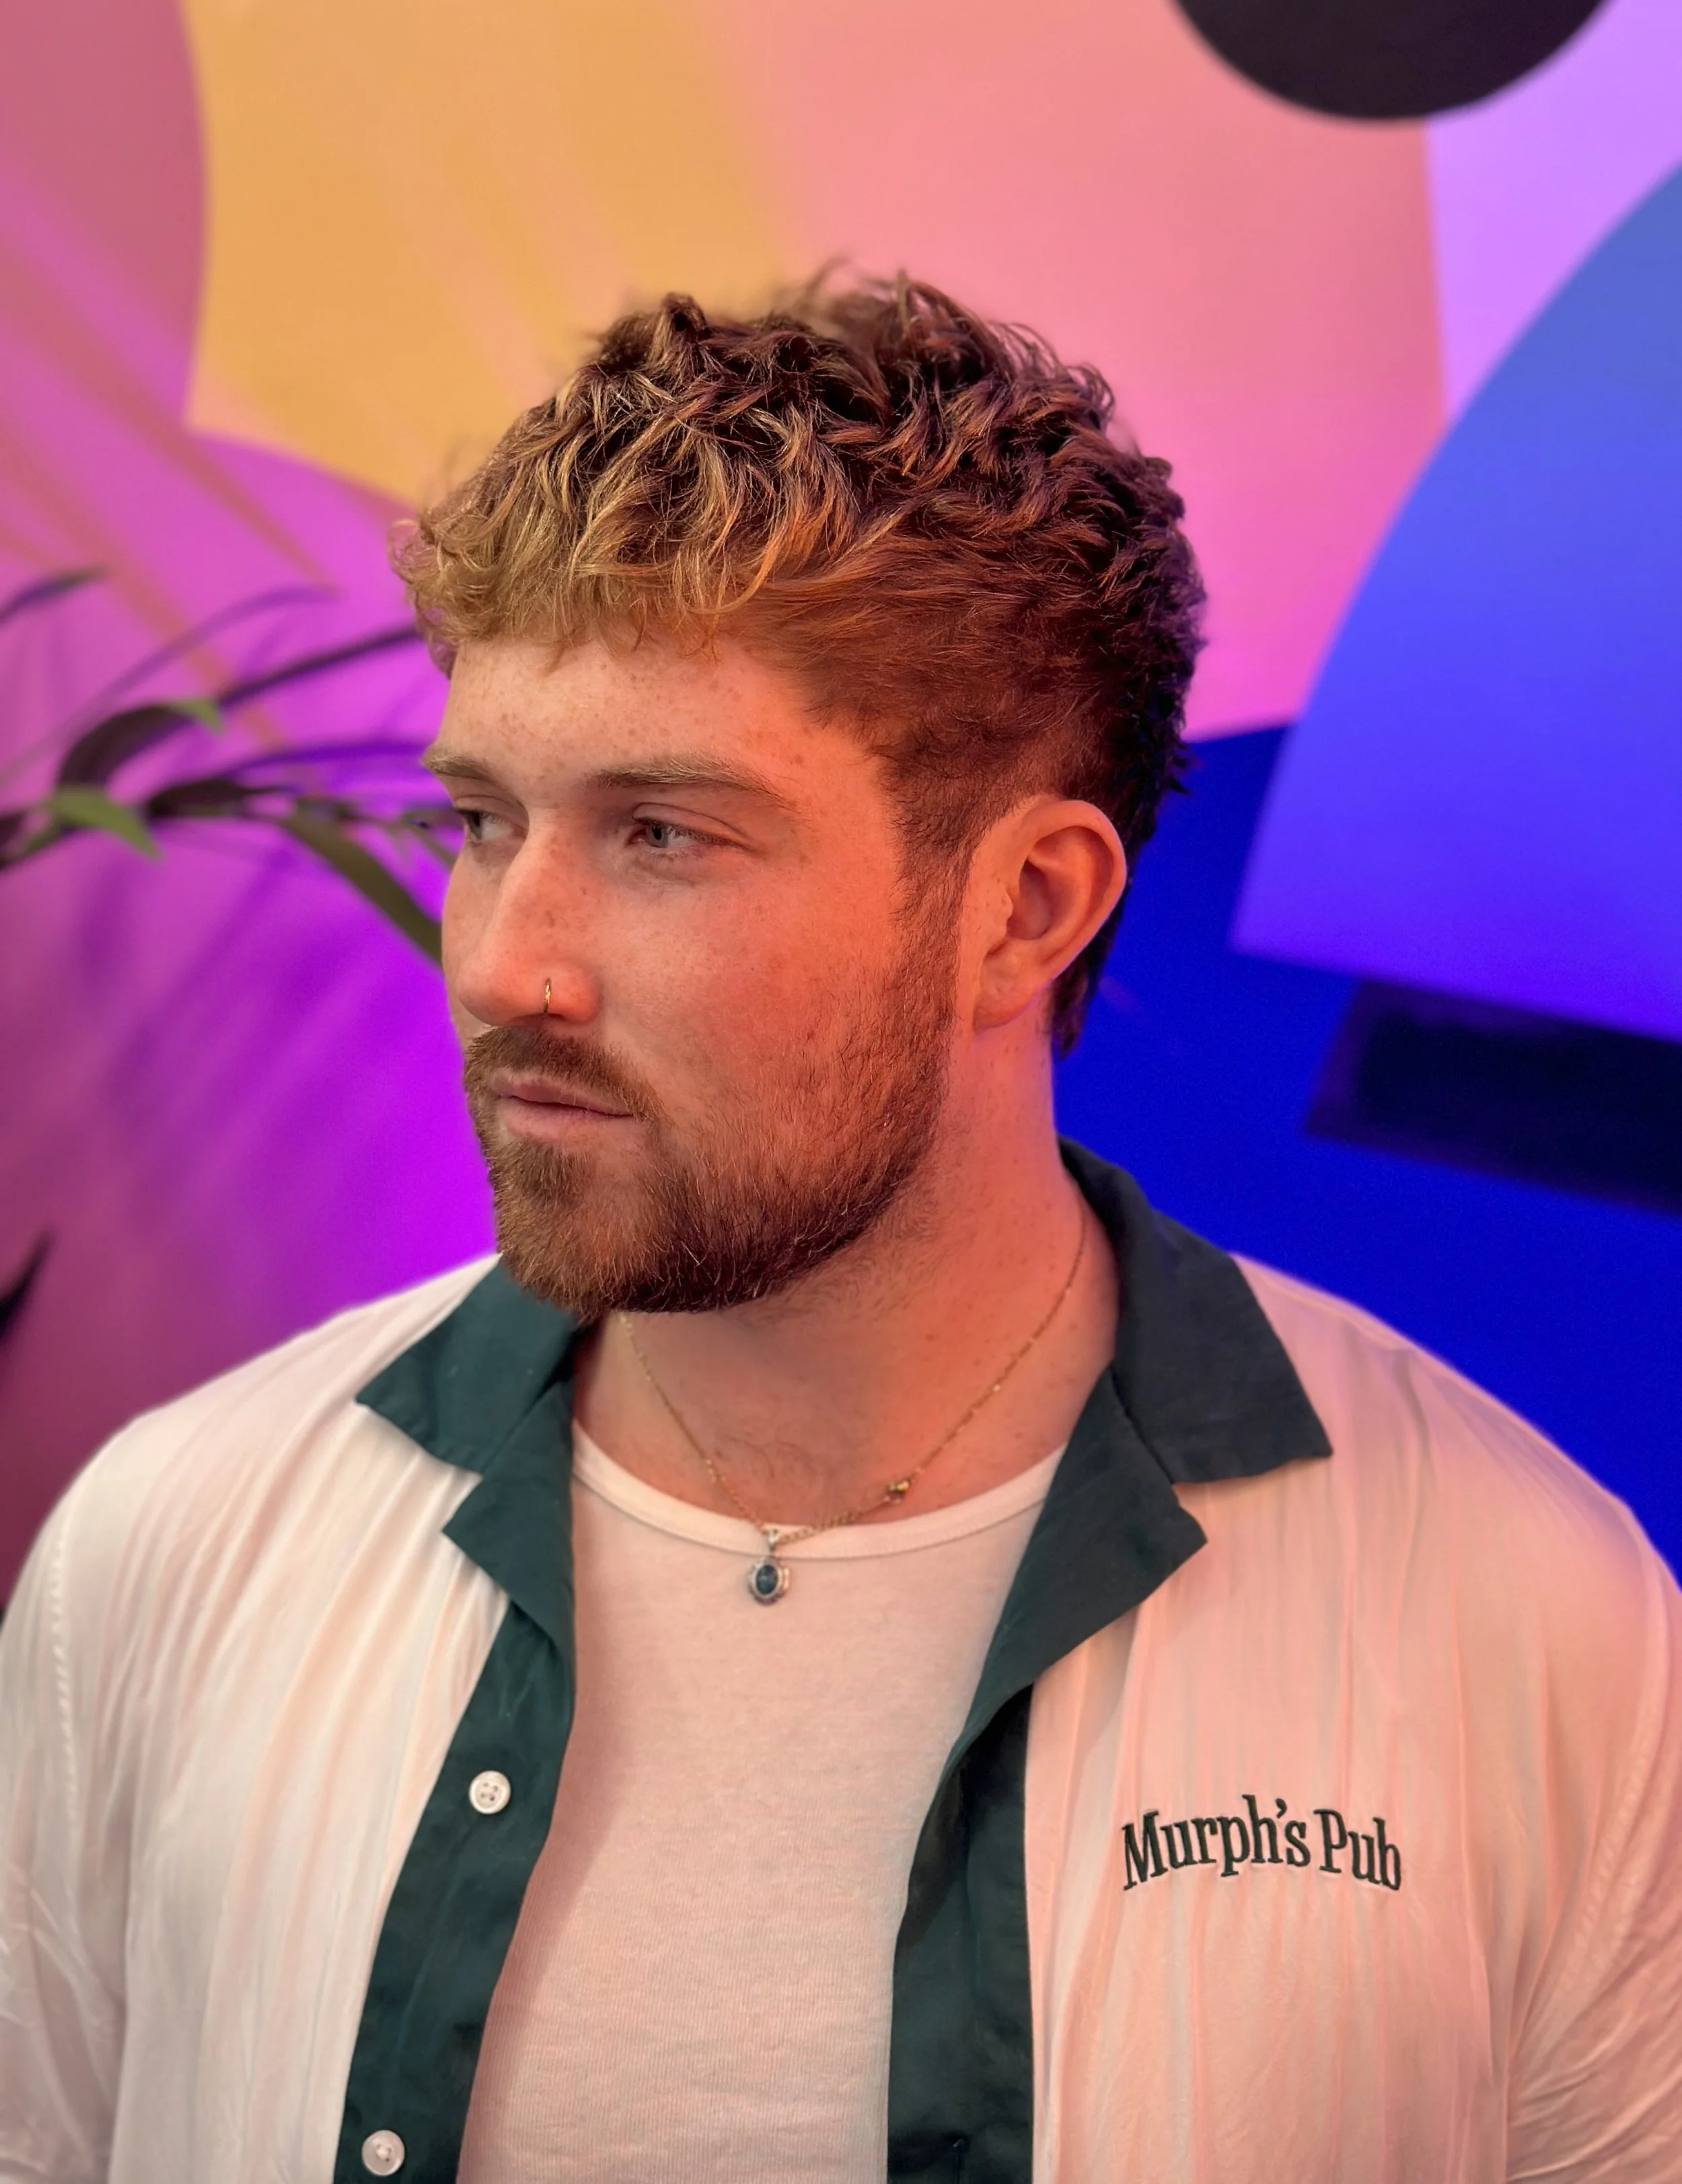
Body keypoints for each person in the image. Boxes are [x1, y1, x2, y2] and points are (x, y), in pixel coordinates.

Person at [1, 279, 1678, 2184]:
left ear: (1024, 906)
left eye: (661, 834)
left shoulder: (1522, 1615)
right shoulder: (182, 1539)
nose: (504, 961)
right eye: (482, 820)